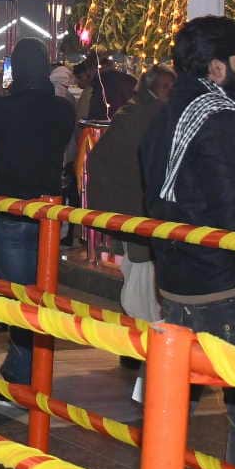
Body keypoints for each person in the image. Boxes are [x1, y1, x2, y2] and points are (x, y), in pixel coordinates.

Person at [139, 16, 235, 469]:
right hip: (224, 285)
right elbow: (234, 210)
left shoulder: (167, 113)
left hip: (178, 279)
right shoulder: (220, 118)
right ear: (218, 67)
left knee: (171, 408)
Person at [0, 39, 76, 409]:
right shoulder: (62, 110)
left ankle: (22, 372)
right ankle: (34, 365)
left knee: (18, 293)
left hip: (10, 205)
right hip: (49, 209)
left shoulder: (2, 108)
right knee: (41, 290)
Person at [86, 65, 174, 334]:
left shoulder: (133, 114)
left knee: (139, 272)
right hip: (141, 210)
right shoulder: (151, 117)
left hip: (131, 209)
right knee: (142, 275)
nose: (170, 93)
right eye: (166, 88)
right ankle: (143, 332)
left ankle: (138, 331)